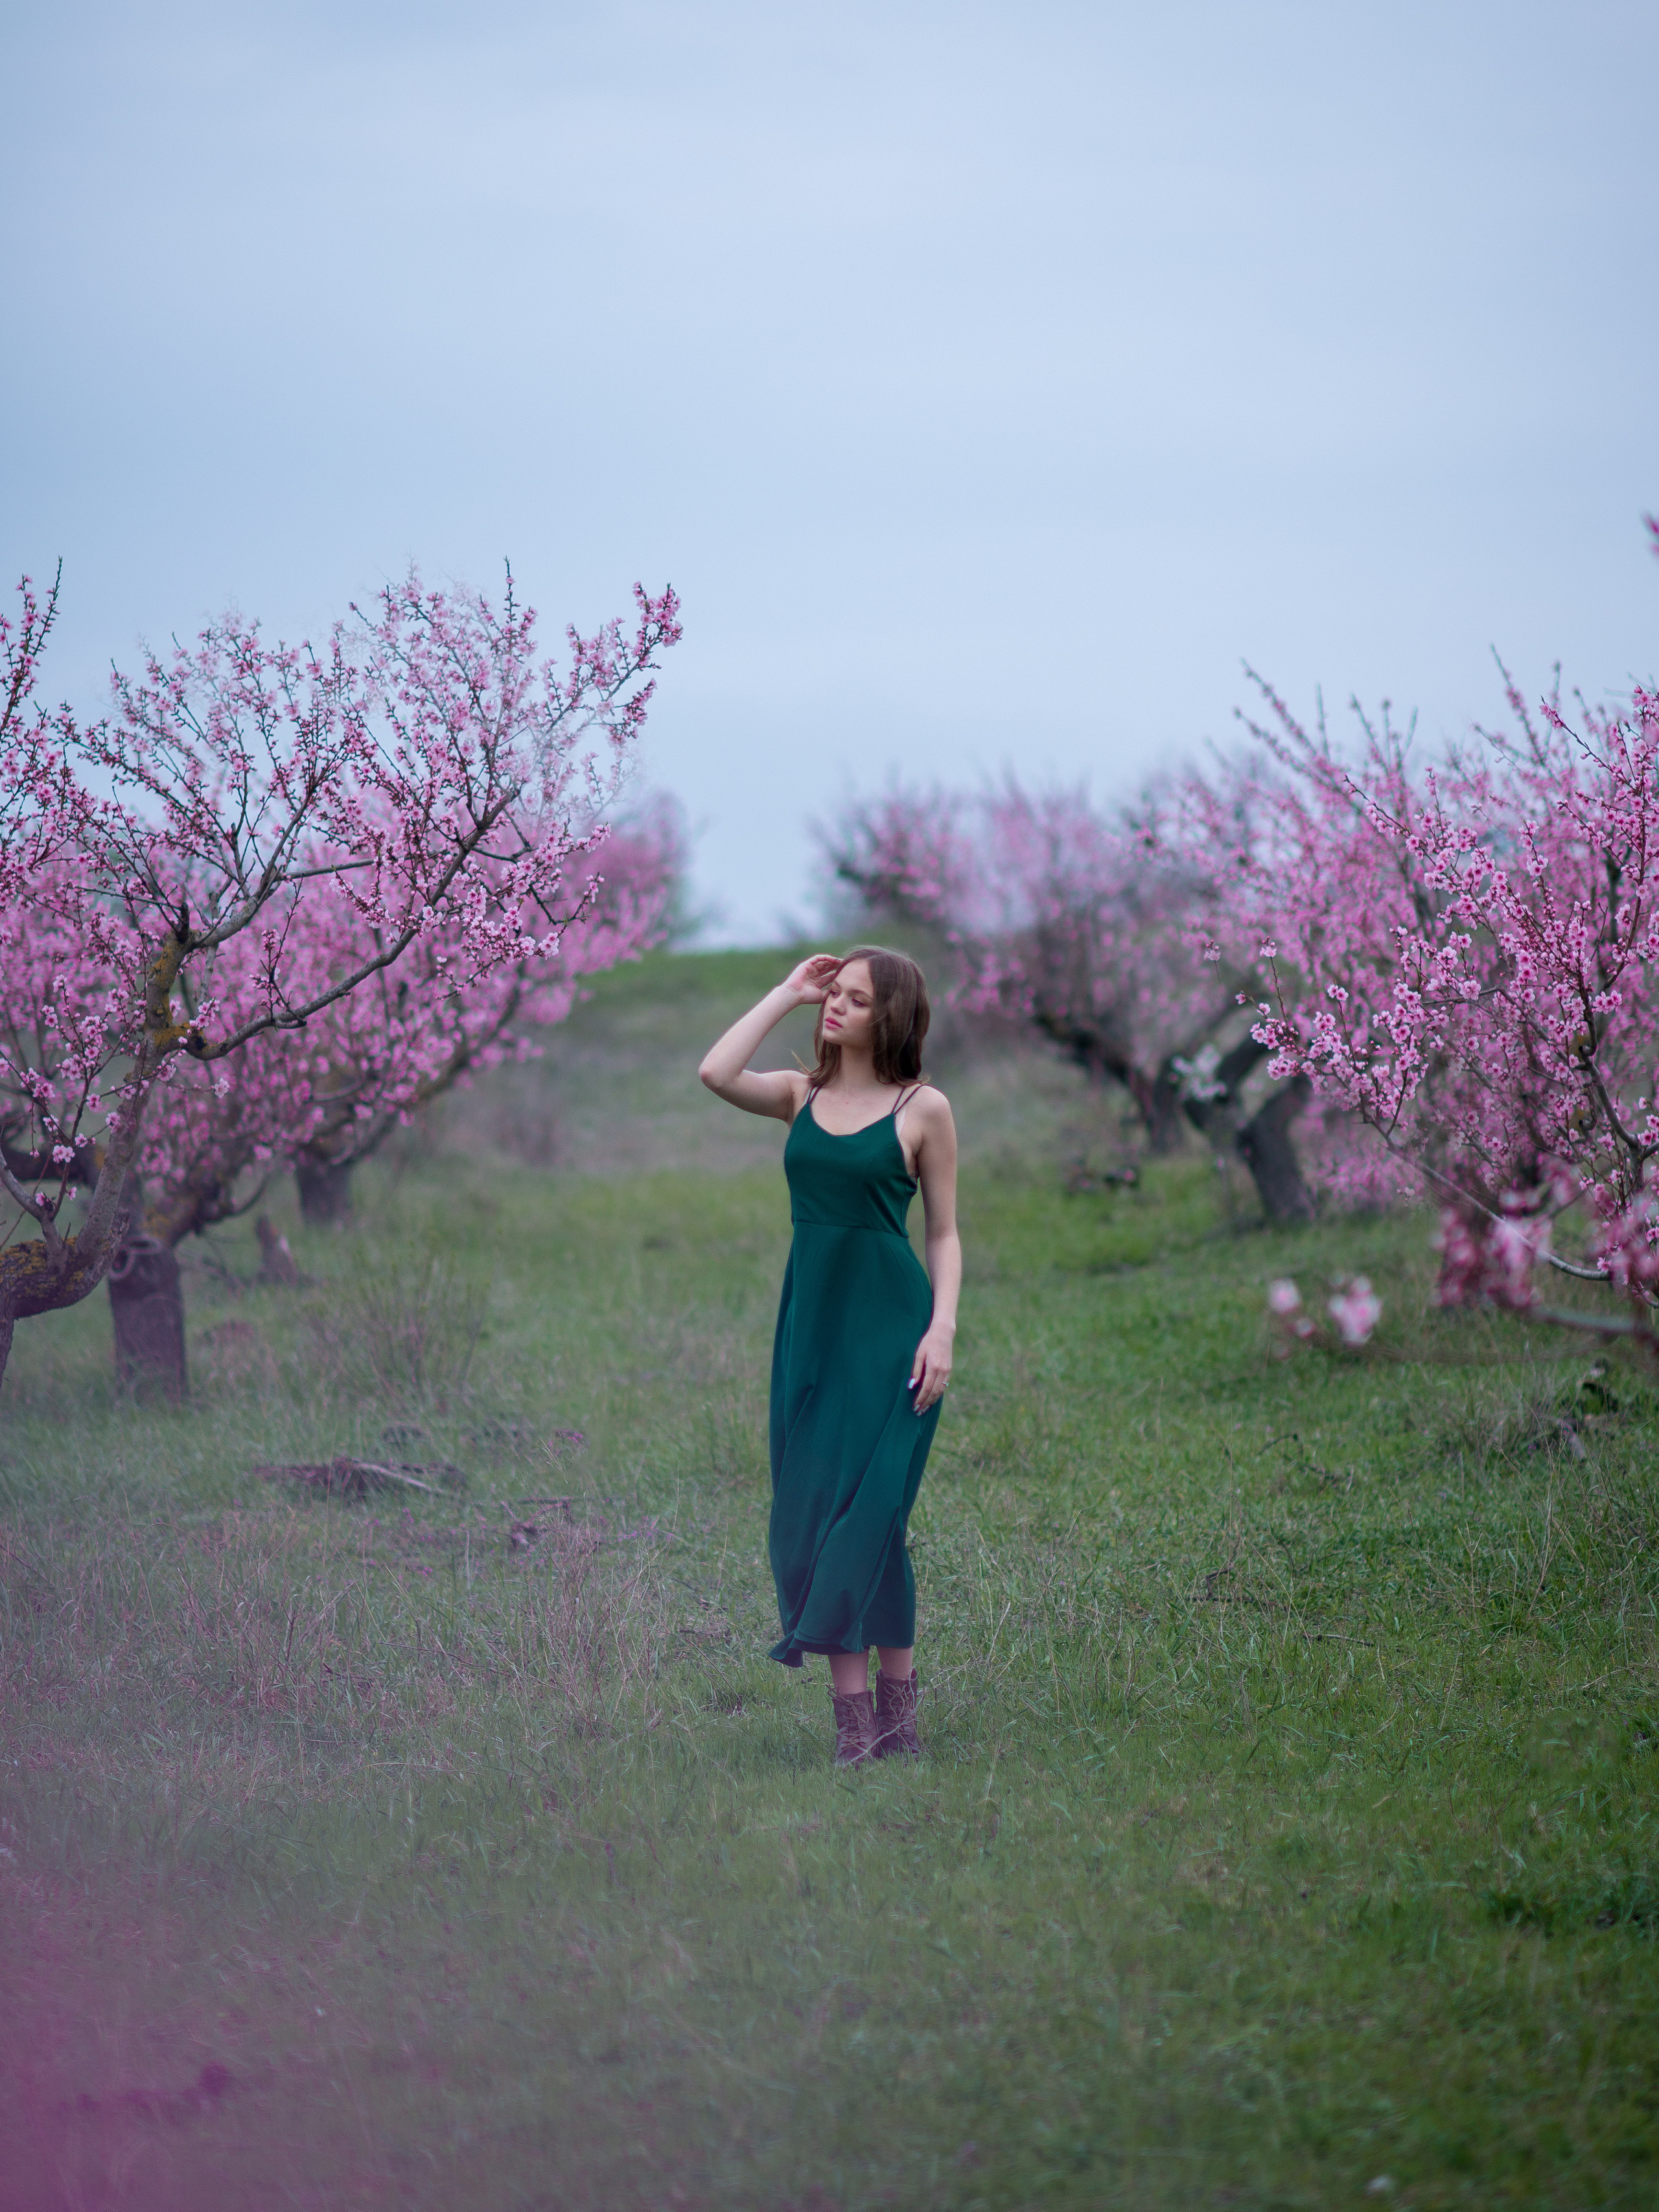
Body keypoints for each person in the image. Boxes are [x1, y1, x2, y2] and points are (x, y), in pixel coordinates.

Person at [699, 947, 960, 1765]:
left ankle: (898, 1720)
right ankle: (854, 1727)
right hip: (810, 1327)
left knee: (873, 1517)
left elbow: (944, 1233)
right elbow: (714, 1071)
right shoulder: (797, 1095)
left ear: (891, 1015)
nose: (834, 1008)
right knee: (816, 1515)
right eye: (831, 994)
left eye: (853, 998)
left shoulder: (923, 1108)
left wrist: (942, 1328)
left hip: (892, 1332)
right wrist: (783, 991)